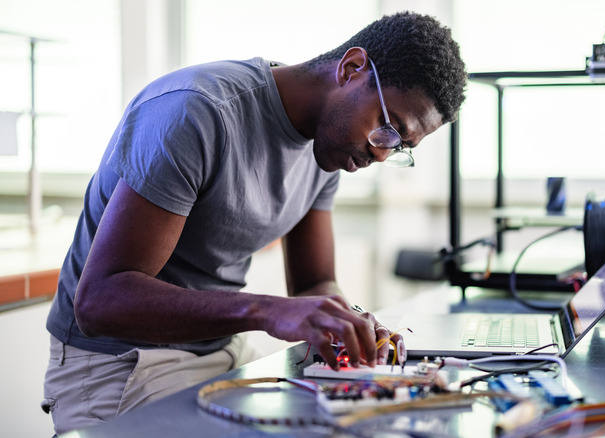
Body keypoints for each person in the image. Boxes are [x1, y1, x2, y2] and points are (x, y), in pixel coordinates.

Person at [41, 10, 467, 435]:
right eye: (389, 129)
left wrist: (348, 319)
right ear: (352, 69)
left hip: (220, 352)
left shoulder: (330, 148)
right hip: (119, 365)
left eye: (399, 148)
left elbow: (314, 283)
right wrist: (264, 310)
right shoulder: (199, 112)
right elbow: (100, 302)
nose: (380, 154)